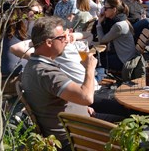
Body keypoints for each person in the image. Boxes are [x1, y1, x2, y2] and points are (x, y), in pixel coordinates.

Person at [20, 17, 96, 151]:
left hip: (74, 125)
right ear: (49, 42)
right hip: (75, 137)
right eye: (62, 38)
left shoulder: (33, 65)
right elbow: (87, 97)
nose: (66, 40)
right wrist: (89, 68)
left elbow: (54, 99)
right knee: (124, 117)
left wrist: (80, 106)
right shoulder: (47, 73)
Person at [95, 0, 137, 72]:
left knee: (94, 61)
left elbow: (102, 40)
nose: (104, 11)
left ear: (114, 10)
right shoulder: (122, 19)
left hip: (123, 60)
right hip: (126, 56)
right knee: (99, 56)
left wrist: (99, 24)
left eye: (106, 8)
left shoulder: (118, 26)